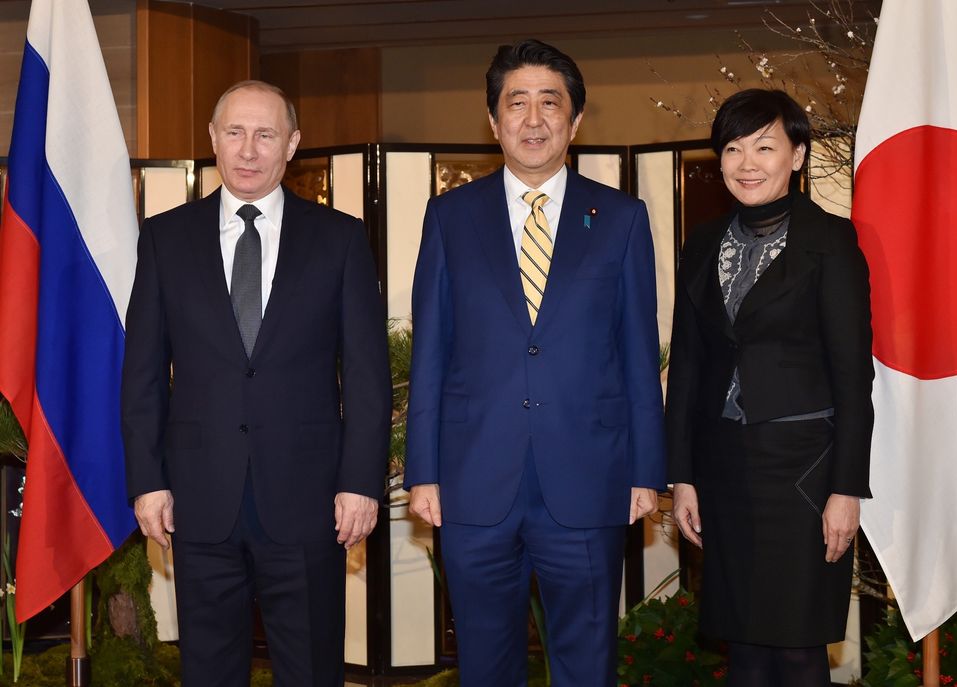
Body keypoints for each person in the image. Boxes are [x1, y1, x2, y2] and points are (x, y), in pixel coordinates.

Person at [403, 39, 665, 687]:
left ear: (575, 121)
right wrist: (424, 471)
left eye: (551, 102)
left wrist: (647, 471)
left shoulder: (623, 220)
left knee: (586, 662)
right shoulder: (449, 217)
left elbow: (637, 353)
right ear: (492, 121)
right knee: (486, 665)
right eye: (516, 102)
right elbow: (432, 351)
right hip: (473, 482)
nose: (533, 118)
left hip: (589, 479)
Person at [121, 80, 392, 687]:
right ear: (213, 139)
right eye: (235, 132)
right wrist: (148, 481)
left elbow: (367, 377)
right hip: (197, 500)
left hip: (311, 503)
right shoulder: (166, 239)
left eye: (265, 134)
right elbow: (141, 375)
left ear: (292, 144)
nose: (249, 149)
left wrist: (360, 483)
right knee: (209, 671)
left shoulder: (340, 239)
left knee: (312, 669)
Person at [665, 89, 873, 687]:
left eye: (764, 146)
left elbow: (854, 374)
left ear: (799, 156)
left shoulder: (831, 241)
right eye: (732, 148)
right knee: (744, 647)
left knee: (797, 645)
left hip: (804, 472)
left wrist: (846, 490)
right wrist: (682, 473)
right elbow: (688, 364)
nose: (747, 162)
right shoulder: (703, 242)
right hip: (723, 468)